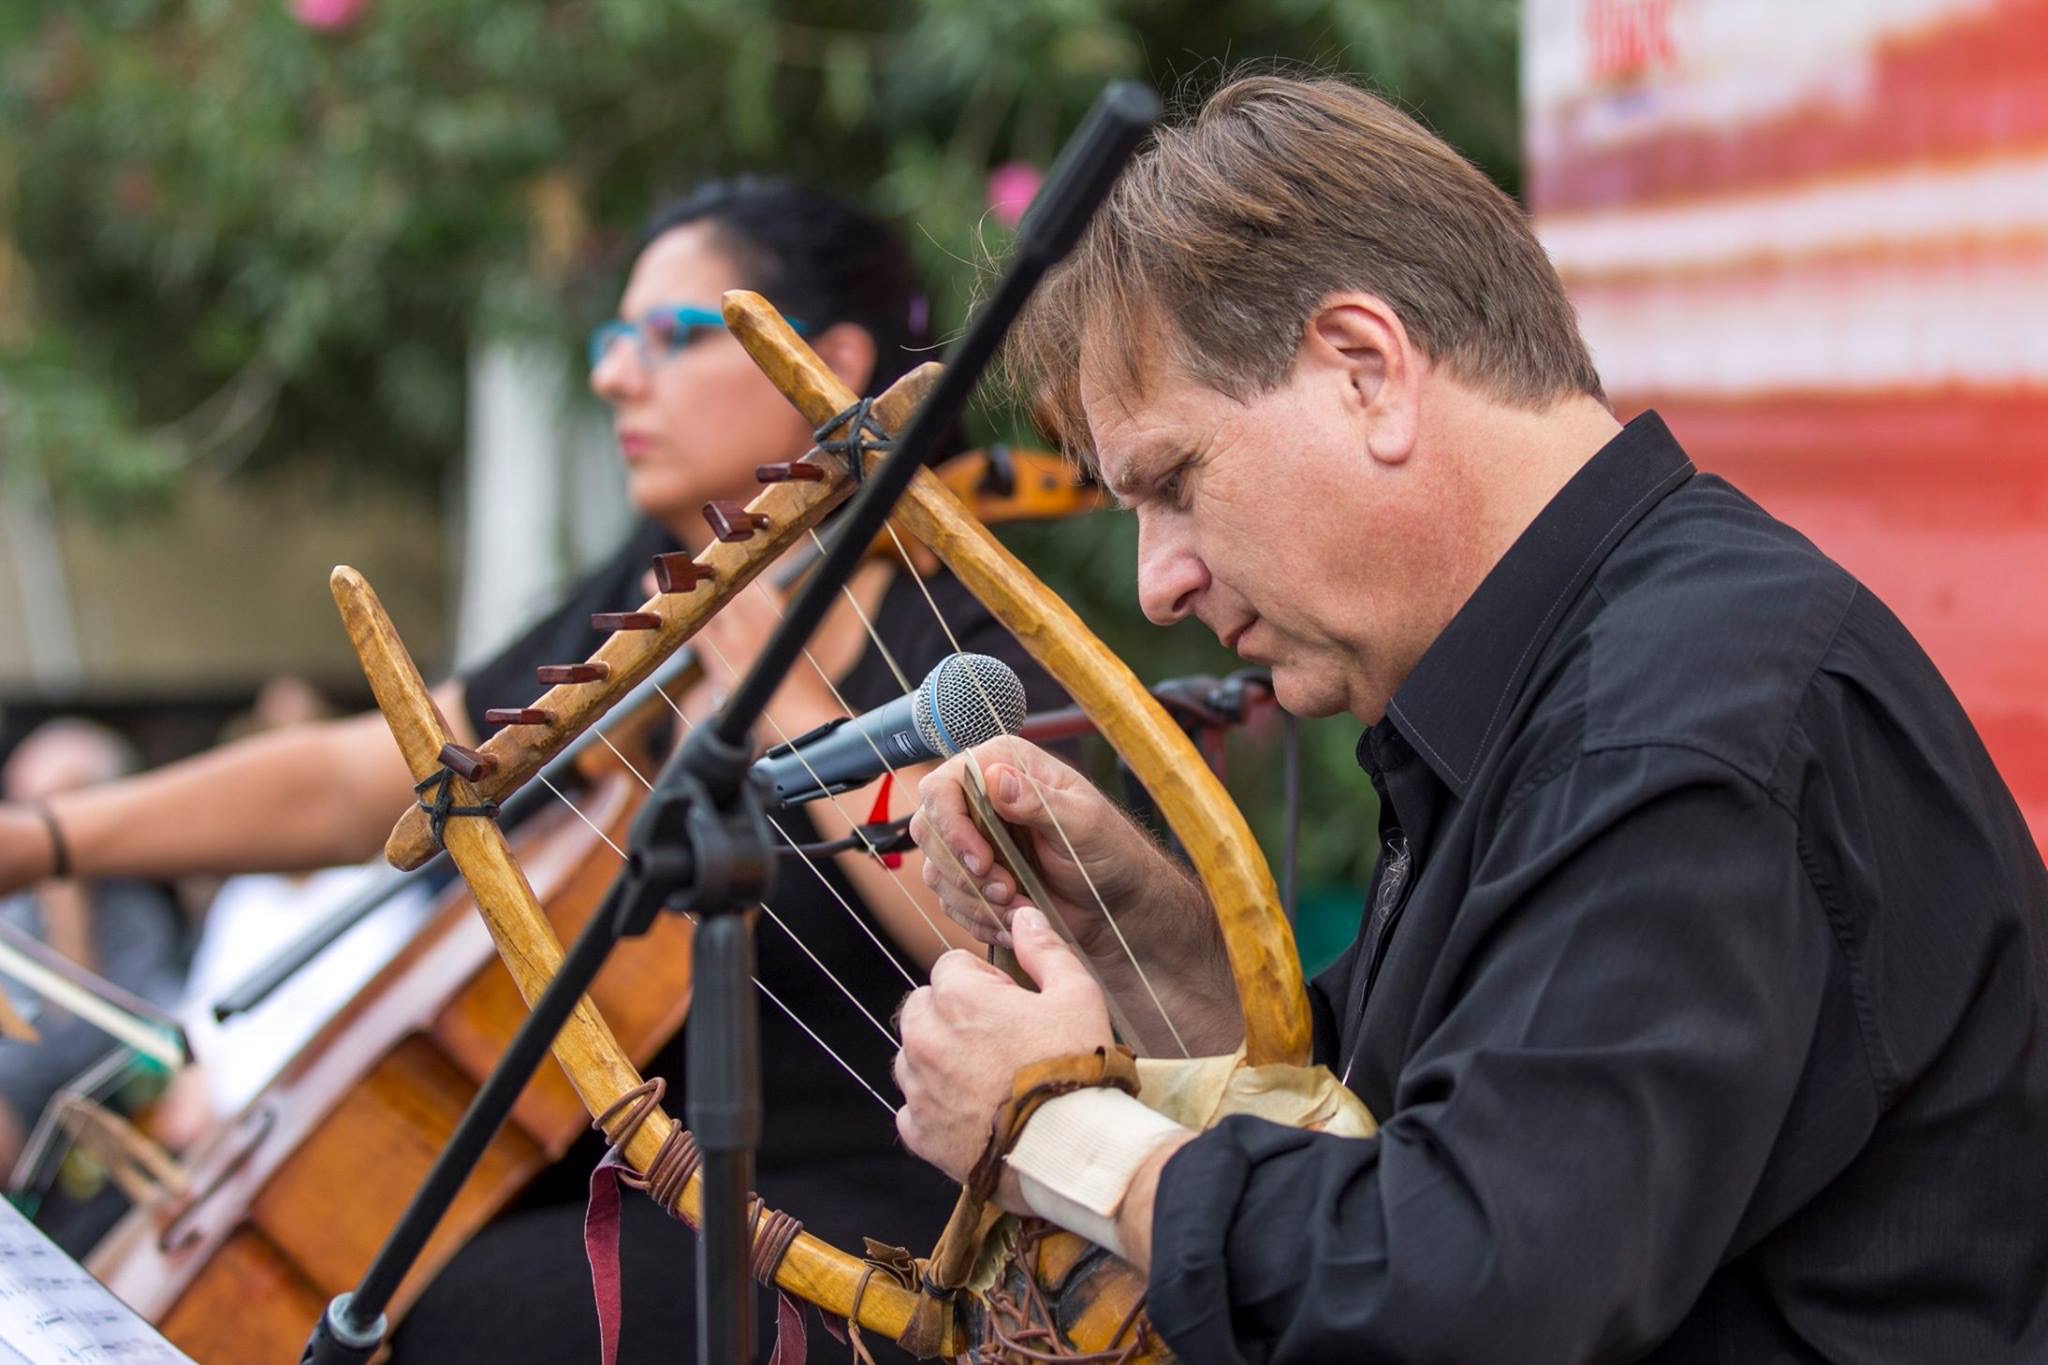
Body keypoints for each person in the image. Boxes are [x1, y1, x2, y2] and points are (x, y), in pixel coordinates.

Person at [898, 75, 2048, 1363]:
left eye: (1172, 482)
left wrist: (1054, 1130)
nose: (1161, 577)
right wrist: (1148, 942)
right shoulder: (1604, 668)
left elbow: (1465, 1288)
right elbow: (1412, 1113)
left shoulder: (1674, 717)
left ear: (1364, 369)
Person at [0, 178, 1062, 1360]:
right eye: (613, 342)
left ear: (828, 361)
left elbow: (1017, 941)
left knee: (459, 1315)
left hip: (863, 1227)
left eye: (667, 336)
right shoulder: (651, 597)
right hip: (622, 1184)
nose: (614, 377)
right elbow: (385, 777)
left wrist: (792, 705)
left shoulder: (954, 625)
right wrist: (48, 841)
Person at [0, 720, 189, 1175]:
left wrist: (66, 905)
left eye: (48, 806)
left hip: (72, 1154)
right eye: (20, 804)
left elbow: (77, 1059)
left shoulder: (139, 919)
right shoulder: (12, 912)